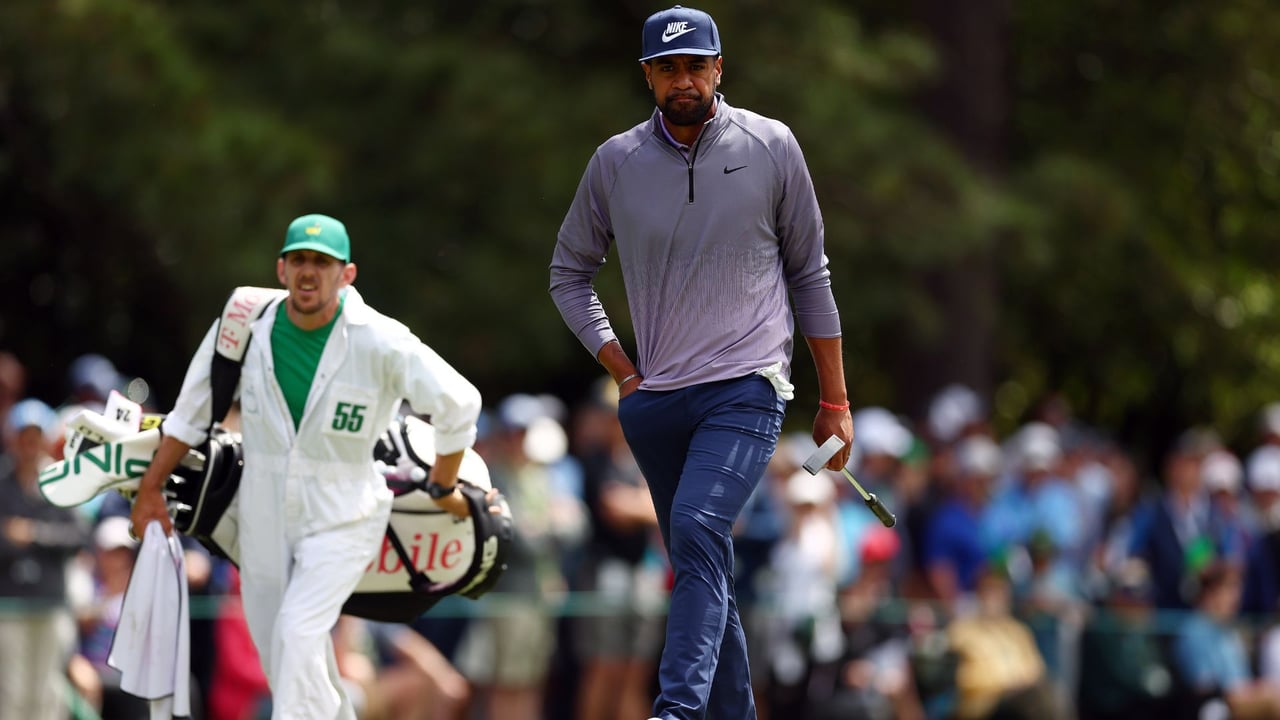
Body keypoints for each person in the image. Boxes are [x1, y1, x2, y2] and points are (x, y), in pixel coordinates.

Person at [548, 6, 854, 718]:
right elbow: (569, 272)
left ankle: (677, 710)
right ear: (648, 76)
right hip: (655, 399)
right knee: (701, 560)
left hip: (747, 387)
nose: (682, 80)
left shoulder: (772, 144)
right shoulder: (615, 161)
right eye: (667, 68)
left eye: (696, 65)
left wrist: (834, 402)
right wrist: (621, 368)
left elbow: (810, 274)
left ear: (719, 68)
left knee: (695, 532)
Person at [130, 213, 483, 720]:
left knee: (297, 634)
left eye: (323, 262)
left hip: (344, 513)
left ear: (347, 274)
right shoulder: (243, 322)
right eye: (299, 259)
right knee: (286, 656)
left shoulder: (380, 339)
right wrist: (150, 490)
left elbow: (460, 404)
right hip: (261, 510)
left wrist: (444, 483)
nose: (310, 271)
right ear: (281, 269)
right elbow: (190, 414)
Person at [0, 398, 92, 720]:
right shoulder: (2, 483)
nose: (28, 444)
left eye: (35, 436)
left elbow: (80, 536)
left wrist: (33, 535)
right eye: (23, 436)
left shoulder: (60, 480)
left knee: (48, 695)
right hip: (9, 608)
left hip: (51, 605)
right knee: (11, 694)